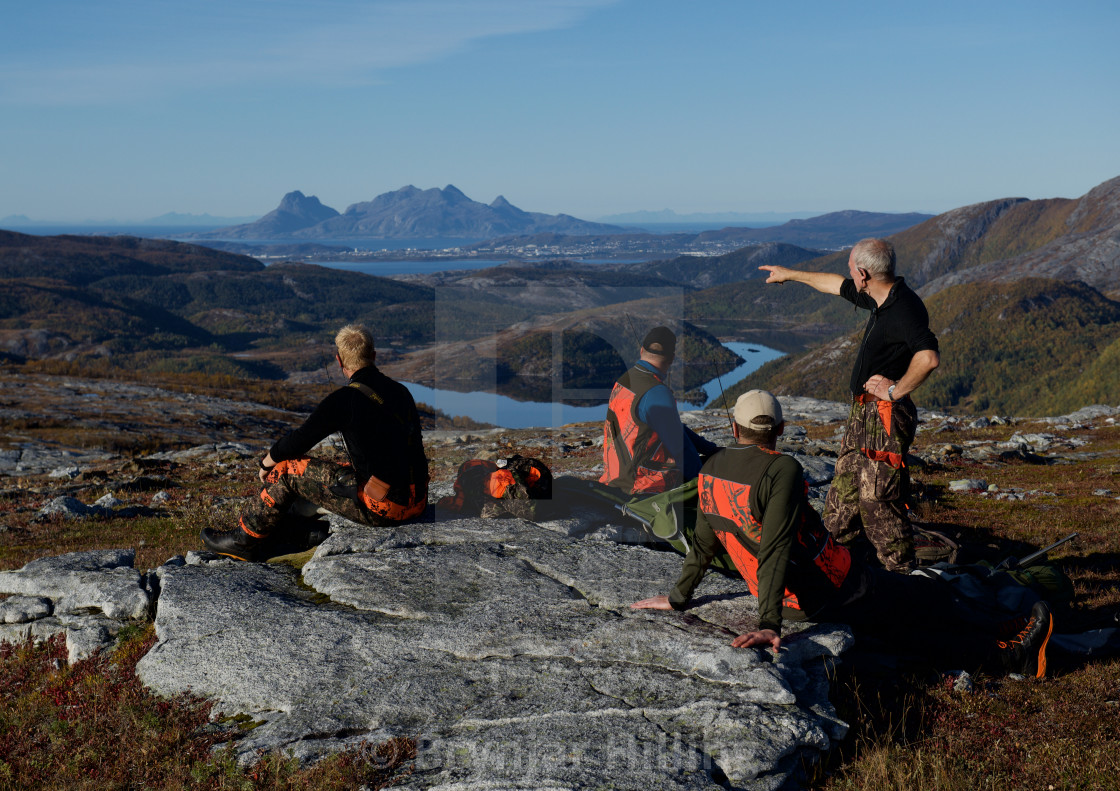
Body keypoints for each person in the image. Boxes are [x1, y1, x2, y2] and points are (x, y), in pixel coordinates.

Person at [632, 390, 1053, 679]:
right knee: (924, 602)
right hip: (833, 586)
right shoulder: (782, 469)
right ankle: (1010, 653)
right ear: (778, 431)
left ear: (735, 429)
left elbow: (704, 543)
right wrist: (768, 623)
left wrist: (678, 598)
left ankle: (999, 630)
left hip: (808, 593)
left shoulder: (710, 471)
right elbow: (776, 544)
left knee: (907, 612)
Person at [758, 238, 939, 572]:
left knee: (878, 502)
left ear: (865, 273)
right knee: (843, 493)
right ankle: (833, 565)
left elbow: (928, 358)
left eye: (852, 269)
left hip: (884, 418)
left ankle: (902, 579)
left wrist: (895, 391)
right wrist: (789, 274)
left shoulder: (905, 309)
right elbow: (834, 285)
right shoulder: (878, 296)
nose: (849, 275)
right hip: (862, 414)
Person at [201, 324, 429, 561]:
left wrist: (267, 462)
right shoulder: (402, 392)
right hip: (417, 503)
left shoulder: (344, 399)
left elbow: (300, 440)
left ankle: (243, 540)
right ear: (373, 356)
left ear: (339, 361)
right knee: (332, 471)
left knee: (288, 470)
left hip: (382, 508)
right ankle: (302, 534)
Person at [600, 326, 719, 495]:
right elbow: (681, 448)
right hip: (642, 487)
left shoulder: (624, 380)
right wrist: (702, 484)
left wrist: (709, 449)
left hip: (616, 478)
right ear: (671, 358)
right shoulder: (657, 393)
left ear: (642, 350)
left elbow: (674, 428)